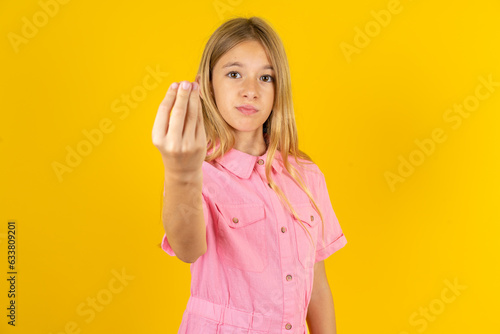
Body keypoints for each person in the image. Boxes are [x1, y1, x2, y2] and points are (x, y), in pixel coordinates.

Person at [152, 16, 347, 334]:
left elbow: (317, 283)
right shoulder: (198, 174)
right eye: (234, 74)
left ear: (278, 88)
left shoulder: (305, 175)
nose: (250, 91)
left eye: (265, 78)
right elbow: (187, 248)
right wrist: (181, 173)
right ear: (206, 84)